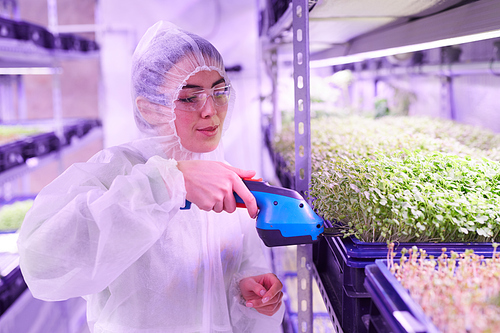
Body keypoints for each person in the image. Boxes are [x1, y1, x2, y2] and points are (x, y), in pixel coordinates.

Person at [17, 21, 284, 333]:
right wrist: (167, 183)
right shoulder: (117, 172)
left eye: (220, 91)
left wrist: (248, 293)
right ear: (149, 109)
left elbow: (233, 279)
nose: (211, 110)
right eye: (189, 97)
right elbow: (41, 263)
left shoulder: (227, 182)